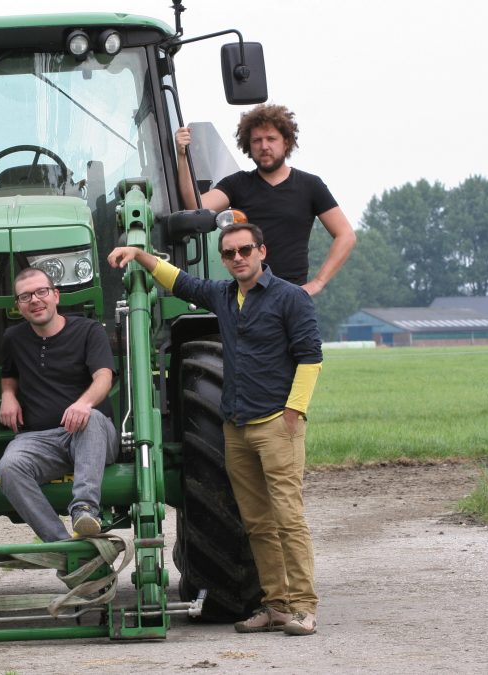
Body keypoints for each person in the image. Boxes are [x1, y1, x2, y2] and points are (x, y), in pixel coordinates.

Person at [108, 223, 323, 636]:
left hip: (277, 424)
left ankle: (304, 607)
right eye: (229, 253)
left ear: (262, 251)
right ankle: (275, 604)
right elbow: (181, 282)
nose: (238, 258)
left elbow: (311, 358)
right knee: (256, 522)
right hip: (236, 427)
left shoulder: (289, 298)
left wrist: (292, 414)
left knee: (288, 518)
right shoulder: (224, 296)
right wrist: (139, 255)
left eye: (245, 250)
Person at [175, 103, 356, 296]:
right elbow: (195, 206)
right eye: (257, 140)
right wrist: (182, 156)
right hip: (249, 296)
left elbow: (346, 235)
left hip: (292, 295)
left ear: (286, 142)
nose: (264, 146)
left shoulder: (310, 185)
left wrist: (318, 282)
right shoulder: (237, 184)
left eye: (271, 139)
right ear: (248, 145)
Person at [0, 268, 119, 542]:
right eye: (25, 296)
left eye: (42, 292)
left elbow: (103, 377)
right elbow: (9, 375)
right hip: (40, 439)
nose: (35, 300)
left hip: (90, 435)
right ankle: (62, 546)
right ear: (18, 306)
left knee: (94, 419)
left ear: (56, 296)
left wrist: (84, 404)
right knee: (9, 467)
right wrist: (8, 395)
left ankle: (85, 509)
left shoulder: (89, 330)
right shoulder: (13, 339)